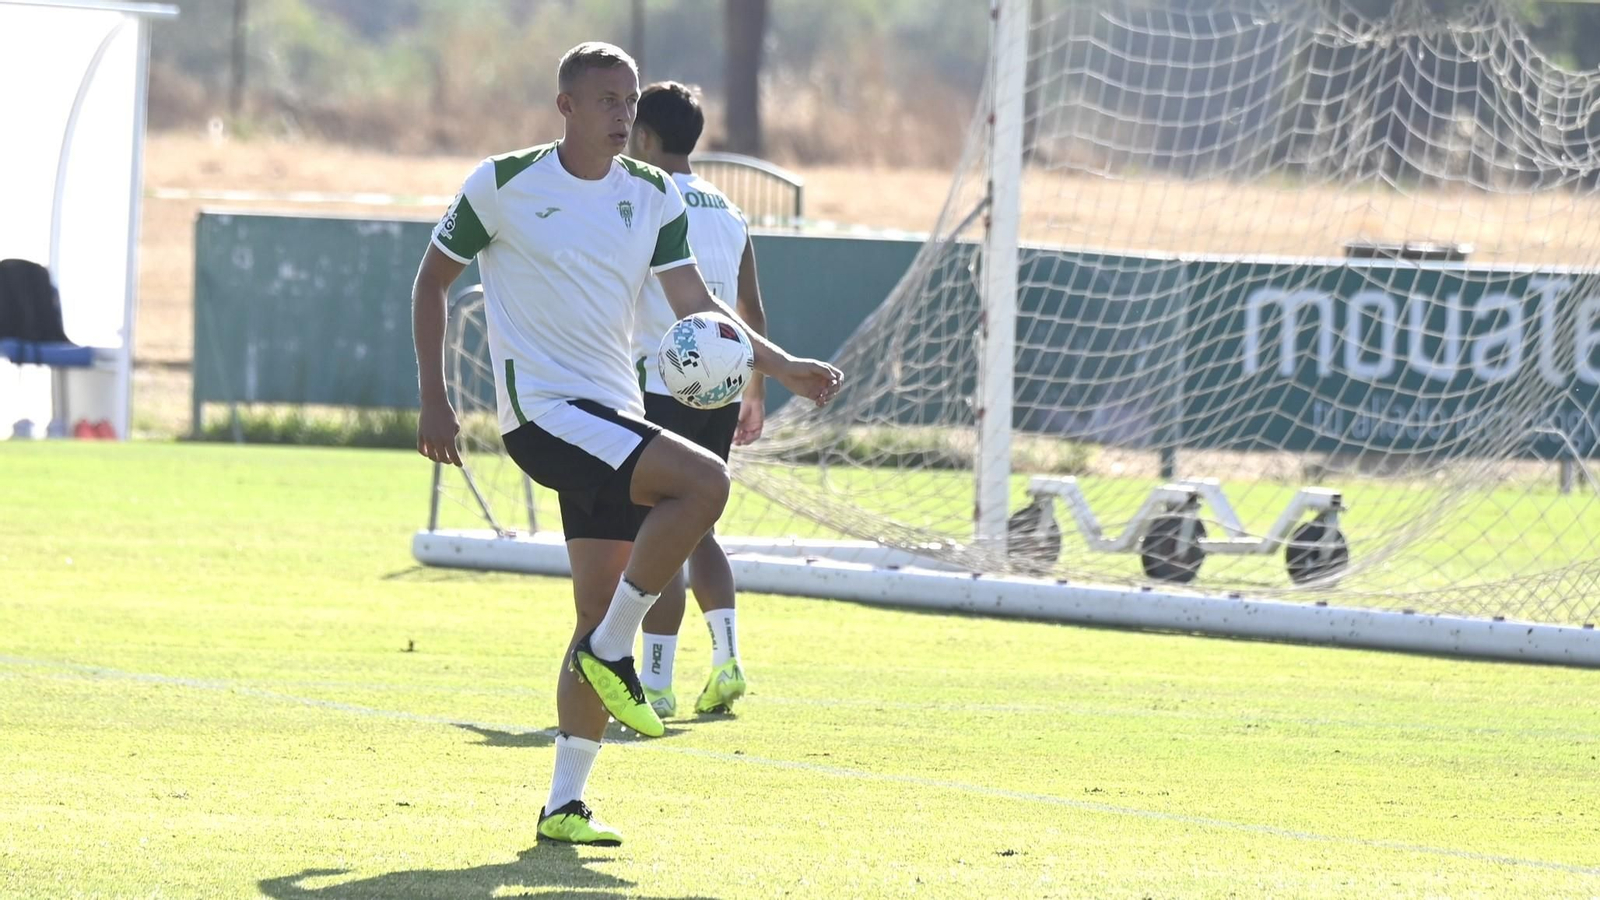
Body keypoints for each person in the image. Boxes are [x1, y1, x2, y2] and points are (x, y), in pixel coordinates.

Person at [410, 42, 842, 847]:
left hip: (608, 413)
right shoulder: (500, 183)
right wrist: (436, 398)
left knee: (591, 605)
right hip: (542, 414)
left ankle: (564, 804)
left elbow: (697, 300)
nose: (622, 114)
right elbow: (430, 279)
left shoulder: (651, 195)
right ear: (566, 105)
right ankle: (618, 649)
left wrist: (778, 367)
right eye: (606, 99)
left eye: (630, 100)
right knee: (705, 485)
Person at [627, 81, 766, 720]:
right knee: (699, 523)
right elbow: (750, 310)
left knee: (660, 528)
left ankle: (655, 682)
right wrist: (756, 392)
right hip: (724, 383)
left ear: (645, 138)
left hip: (661, 382)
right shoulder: (729, 210)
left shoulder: (642, 198)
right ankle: (728, 658)